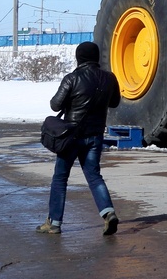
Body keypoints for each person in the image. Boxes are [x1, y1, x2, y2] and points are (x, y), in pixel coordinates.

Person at [38, 41, 122, 235]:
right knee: (94, 176)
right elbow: (115, 102)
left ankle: (54, 223)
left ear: (79, 58)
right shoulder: (110, 78)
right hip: (95, 136)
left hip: (71, 137)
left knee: (60, 178)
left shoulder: (72, 78)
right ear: (96, 57)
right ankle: (108, 213)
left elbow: (55, 105)